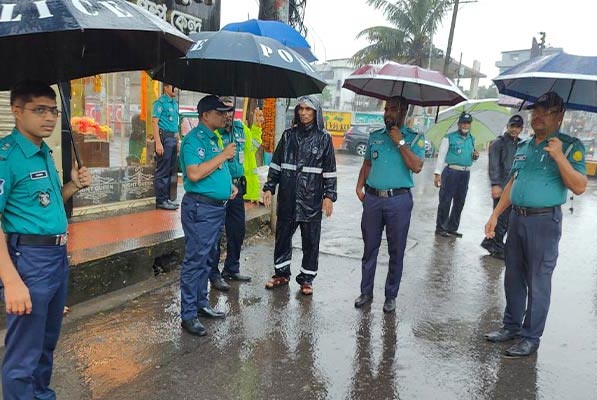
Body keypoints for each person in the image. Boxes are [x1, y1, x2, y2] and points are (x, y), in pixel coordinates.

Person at [0, 80, 91, 399]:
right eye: (39, 110)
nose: (50, 117)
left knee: (45, 344)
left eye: (53, 110)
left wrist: (72, 186)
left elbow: (46, 205)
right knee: (24, 353)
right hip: (29, 260)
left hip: (55, 259)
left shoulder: (43, 153)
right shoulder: (7, 157)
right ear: (16, 111)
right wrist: (11, 282)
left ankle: (41, 395)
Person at [484, 92, 587, 357]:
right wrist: (496, 214)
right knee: (513, 276)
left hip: (544, 221)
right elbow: (513, 183)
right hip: (517, 218)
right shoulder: (525, 146)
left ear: (560, 115)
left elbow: (579, 185)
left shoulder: (570, 145)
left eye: (546, 111)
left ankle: (531, 336)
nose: (538, 116)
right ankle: (512, 326)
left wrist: (560, 157)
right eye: (535, 111)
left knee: (538, 280)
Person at [353, 96, 425, 313]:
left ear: (405, 111)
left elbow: (417, 166)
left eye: (393, 109)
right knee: (369, 248)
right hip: (373, 199)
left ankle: (390, 295)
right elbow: (367, 163)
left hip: (399, 201)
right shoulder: (375, 136)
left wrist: (400, 142)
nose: (388, 113)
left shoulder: (415, 138)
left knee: (396, 250)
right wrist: (359, 187)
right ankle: (366, 292)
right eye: (386, 109)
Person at [262, 96, 337, 296]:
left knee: (311, 241)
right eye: (300, 109)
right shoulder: (288, 136)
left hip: (311, 199)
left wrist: (329, 196)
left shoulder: (324, 138)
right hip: (287, 197)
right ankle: (281, 274)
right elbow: (276, 164)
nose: (303, 113)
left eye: (308, 109)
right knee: (283, 238)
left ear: (316, 112)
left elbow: (329, 170)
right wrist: (269, 187)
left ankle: (307, 279)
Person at [178, 95, 237, 336]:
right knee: (195, 260)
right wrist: (223, 155)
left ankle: (201, 303)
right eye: (220, 112)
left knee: (207, 258)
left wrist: (229, 185)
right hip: (200, 209)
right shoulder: (194, 141)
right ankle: (188, 314)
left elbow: (214, 170)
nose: (225, 116)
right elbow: (194, 174)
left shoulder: (214, 138)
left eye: (225, 113)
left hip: (215, 209)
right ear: (205, 115)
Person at [208, 97, 253, 292]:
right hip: (218, 189)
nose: (227, 115)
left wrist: (253, 188)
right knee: (216, 234)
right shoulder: (212, 133)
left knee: (237, 230)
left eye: (230, 111)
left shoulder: (241, 130)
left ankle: (231, 268)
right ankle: (214, 273)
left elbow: (250, 156)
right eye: (223, 111)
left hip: (237, 187)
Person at [481, 114, 524, 259]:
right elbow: (493, 165)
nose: (515, 130)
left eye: (518, 127)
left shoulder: (521, 144)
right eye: (512, 126)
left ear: (521, 129)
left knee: (508, 220)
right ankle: (497, 247)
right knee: (500, 219)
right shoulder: (498, 143)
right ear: (507, 126)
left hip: (515, 188)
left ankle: (489, 242)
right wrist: (495, 184)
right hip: (501, 187)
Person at [433, 112, 479, 237]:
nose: (465, 125)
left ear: (470, 125)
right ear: (459, 124)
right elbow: (441, 156)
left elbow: (472, 159)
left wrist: (475, 157)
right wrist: (437, 173)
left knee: (460, 201)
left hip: (465, 173)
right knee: (445, 200)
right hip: (451, 172)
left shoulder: (472, 139)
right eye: (463, 123)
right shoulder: (449, 137)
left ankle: (452, 227)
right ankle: (441, 227)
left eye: (468, 123)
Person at [152, 84, 180, 210]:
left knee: (170, 169)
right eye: (174, 86)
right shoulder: (160, 103)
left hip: (173, 138)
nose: (176, 89)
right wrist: (158, 142)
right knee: (163, 170)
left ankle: (167, 198)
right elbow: (154, 123)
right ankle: (161, 200)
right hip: (164, 138)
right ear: (166, 87)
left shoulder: (174, 103)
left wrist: (178, 140)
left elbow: (175, 123)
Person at [243, 107, 264, 202]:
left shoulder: (242, 130)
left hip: (249, 193)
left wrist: (256, 126)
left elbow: (254, 143)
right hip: (235, 194)